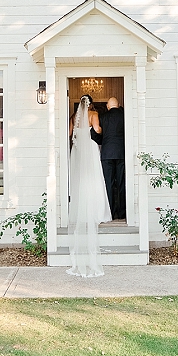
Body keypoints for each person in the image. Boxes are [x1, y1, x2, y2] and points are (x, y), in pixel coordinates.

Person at [67, 94, 110, 278]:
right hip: (90, 147)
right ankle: (96, 210)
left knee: (80, 178)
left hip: (77, 149)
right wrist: (99, 132)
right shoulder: (93, 114)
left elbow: (70, 134)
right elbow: (97, 129)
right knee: (93, 178)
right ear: (90, 104)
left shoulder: (72, 118)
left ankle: (79, 209)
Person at [91, 96, 126, 220]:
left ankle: (110, 212)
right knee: (121, 183)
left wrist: (103, 141)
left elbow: (94, 135)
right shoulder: (124, 116)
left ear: (107, 106)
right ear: (119, 104)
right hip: (121, 153)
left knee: (108, 184)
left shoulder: (103, 117)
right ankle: (122, 213)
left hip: (106, 154)